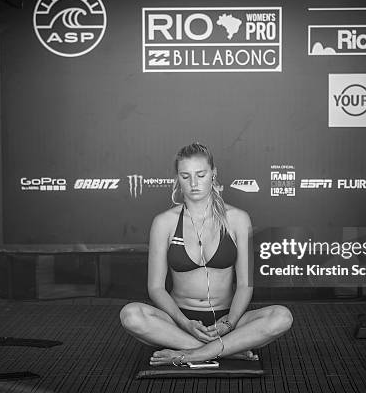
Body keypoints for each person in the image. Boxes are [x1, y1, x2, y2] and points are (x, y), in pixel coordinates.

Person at [120, 142, 293, 366]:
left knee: (281, 317)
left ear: (213, 174)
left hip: (227, 319)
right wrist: (185, 323)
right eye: (185, 176)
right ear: (177, 178)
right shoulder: (164, 222)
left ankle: (193, 353)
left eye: (200, 175)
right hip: (179, 320)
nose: (193, 183)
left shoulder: (238, 219)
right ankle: (224, 350)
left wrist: (229, 323)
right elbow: (155, 288)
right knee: (131, 315)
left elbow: (244, 284)